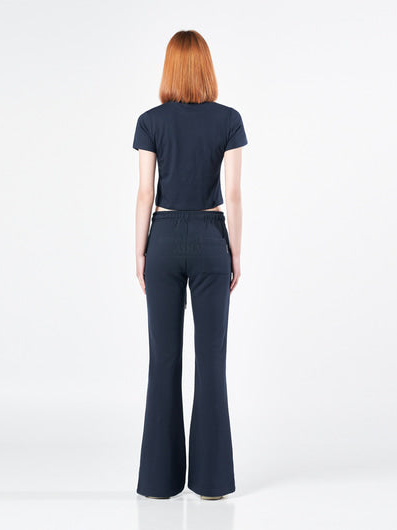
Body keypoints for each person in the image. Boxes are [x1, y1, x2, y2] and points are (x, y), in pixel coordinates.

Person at [133, 30, 247, 501]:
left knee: (163, 360)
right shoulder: (229, 120)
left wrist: (139, 251)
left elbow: (145, 192)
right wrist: (235, 252)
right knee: (211, 361)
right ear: (206, 66)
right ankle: (212, 484)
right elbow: (233, 194)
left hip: (161, 237)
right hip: (210, 236)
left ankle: (159, 483)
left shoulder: (150, 121)